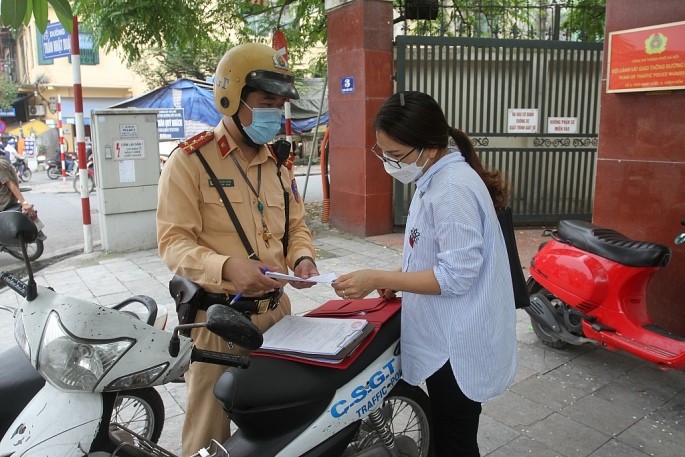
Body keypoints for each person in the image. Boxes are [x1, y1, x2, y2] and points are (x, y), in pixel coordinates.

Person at [331, 91, 517, 457]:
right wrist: (398, 276)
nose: (389, 162)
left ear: (430, 147)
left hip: (459, 344)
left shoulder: (452, 189)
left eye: (397, 156)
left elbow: (456, 275)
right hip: (448, 333)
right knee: (450, 433)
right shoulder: (435, 176)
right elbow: (431, 251)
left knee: (456, 442)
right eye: (382, 152)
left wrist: (377, 277)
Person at [156, 42, 319, 457]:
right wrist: (227, 267)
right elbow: (173, 243)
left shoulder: (279, 164)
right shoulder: (191, 161)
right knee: (207, 437)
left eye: (281, 104)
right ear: (231, 97)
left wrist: (302, 257)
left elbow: (294, 225)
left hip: (279, 316)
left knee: (279, 427)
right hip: (218, 325)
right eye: (267, 102)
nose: (276, 114)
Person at [0, 154, 37, 219]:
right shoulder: (4, 161)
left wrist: (24, 203)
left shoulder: (1, 164)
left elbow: (11, 184)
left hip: (4, 203)